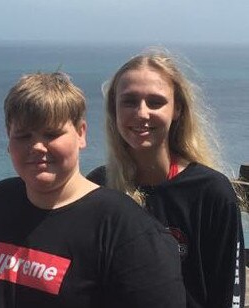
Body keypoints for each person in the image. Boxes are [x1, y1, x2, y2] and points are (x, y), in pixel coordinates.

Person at [0, 72, 186, 307]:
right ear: (9, 139)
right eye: (23, 135)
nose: (37, 146)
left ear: (81, 133)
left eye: (52, 134)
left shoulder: (125, 228)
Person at [86, 49, 245, 308]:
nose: (141, 112)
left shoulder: (211, 192)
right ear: (113, 109)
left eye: (156, 102)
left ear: (177, 109)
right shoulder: (98, 187)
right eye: (129, 101)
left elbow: (229, 293)